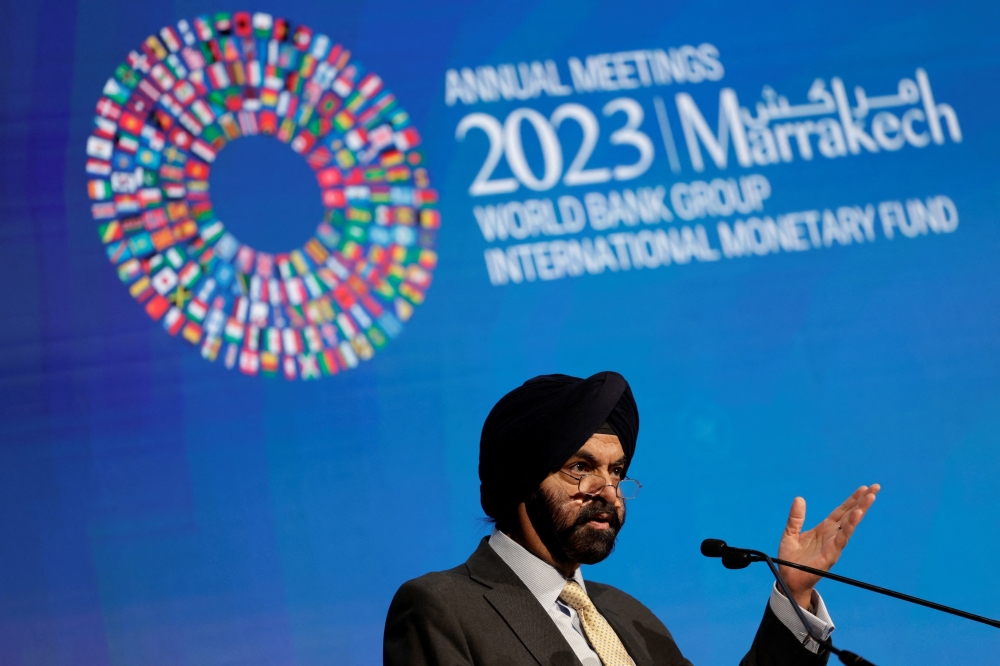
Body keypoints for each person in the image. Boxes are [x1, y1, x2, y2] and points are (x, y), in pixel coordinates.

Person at [384, 371, 879, 666]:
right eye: (581, 468)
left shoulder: (625, 616)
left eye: (617, 472)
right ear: (522, 480)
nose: (608, 492)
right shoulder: (440, 606)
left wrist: (793, 595)